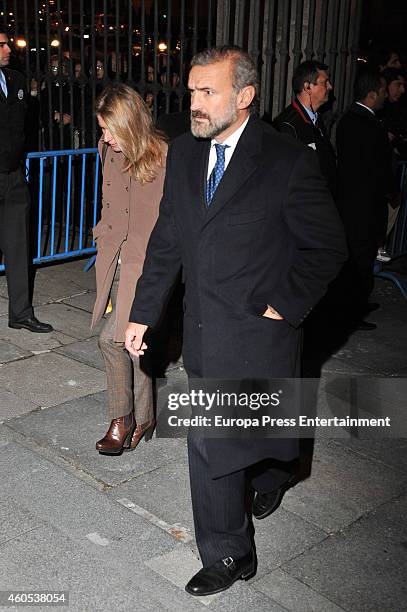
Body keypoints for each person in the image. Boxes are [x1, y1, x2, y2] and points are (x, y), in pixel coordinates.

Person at [125, 46, 347, 596]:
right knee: (212, 444)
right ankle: (230, 553)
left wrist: (286, 305)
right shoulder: (182, 154)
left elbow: (327, 247)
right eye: (191, 91)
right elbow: (167, 241)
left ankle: (273, 473)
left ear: (245, 97)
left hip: (262, 330)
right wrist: (142, 313)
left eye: (208, 93)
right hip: (205, 333)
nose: (194, 104)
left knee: (269, 434)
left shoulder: (286, 160)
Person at [91, 84, 167, 455]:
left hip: (145, 266)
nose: (104, 138)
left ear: (130, 124)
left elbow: (167, 224)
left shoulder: (162, 157)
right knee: (135, 345)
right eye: (102, 129)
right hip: (115, 259)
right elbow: (110, 205)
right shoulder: (109, 150)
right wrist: (102, 234)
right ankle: (146, 417)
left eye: (110, 130)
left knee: (113, 339)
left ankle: (121, 419)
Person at [336, 68, 398, 330]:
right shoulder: (370, 126)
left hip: (352, 203)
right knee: (360, 258)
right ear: (372, 94)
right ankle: (352, 312)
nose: (386, 95)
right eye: (383, 91)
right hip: (365, 205)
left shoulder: (348, 120)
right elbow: (378, 167)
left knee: (359, 256)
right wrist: (392, 191)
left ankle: (357, 304)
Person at [0, 27, 53, 333]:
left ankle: (20, 312)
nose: (9, 49)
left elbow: (25, 128)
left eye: (8, 44)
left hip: (13, 178)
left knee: (19, 248)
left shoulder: (17, 81)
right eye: (3, 45)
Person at [272, 60, 337, 198]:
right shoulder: (288, 125)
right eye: (325, 82)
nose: (330, 87)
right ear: (307, 87)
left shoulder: (316, 118)